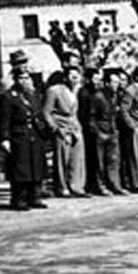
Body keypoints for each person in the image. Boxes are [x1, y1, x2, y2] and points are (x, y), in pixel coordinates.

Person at [0, 69, 48, 210]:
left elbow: (38, 115)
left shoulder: (33, 96)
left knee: (36, 166)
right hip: (18, 135)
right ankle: (19, 199)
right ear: (15, 80)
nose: (24, 81)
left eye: (27, 78)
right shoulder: (8, 97)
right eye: (21, 78)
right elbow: (3, 120)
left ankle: (35, 197)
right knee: (21, 169)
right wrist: (5, 138)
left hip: (34, 135)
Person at [43, 65, 87, 197]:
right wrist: (54, 128)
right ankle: (62, 187)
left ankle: (76, 186)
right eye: (71, 76)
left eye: (76, 76)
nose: (74, 79)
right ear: (65, 77)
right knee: (62, 159)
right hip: (61, 128)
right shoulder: (54, 91)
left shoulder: (77, 91)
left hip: (75, 127)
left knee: (77, 159)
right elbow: (46, 112)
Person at [88, 69, 127, 195]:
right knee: (99, 162)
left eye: (118, 82)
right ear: (107, 83)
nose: (117, 84)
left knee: (114, 160)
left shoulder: (114, 96)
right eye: (114, 82)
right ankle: (101, 186)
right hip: (101, 131)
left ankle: (115, 184)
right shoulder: (98, 97)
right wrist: (97, 132)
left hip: (112, 130)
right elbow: (91, 116)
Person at [77, 66, 106, 195]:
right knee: (93, 159)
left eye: (98, 79)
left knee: (97, 159)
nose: (97, 81)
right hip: (89, 129)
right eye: (95, 79)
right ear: (88, 79)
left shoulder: (98, 92)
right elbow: (85, 113)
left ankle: (96, 184)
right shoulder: (84, 93)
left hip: (96, 128)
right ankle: (94, 185)